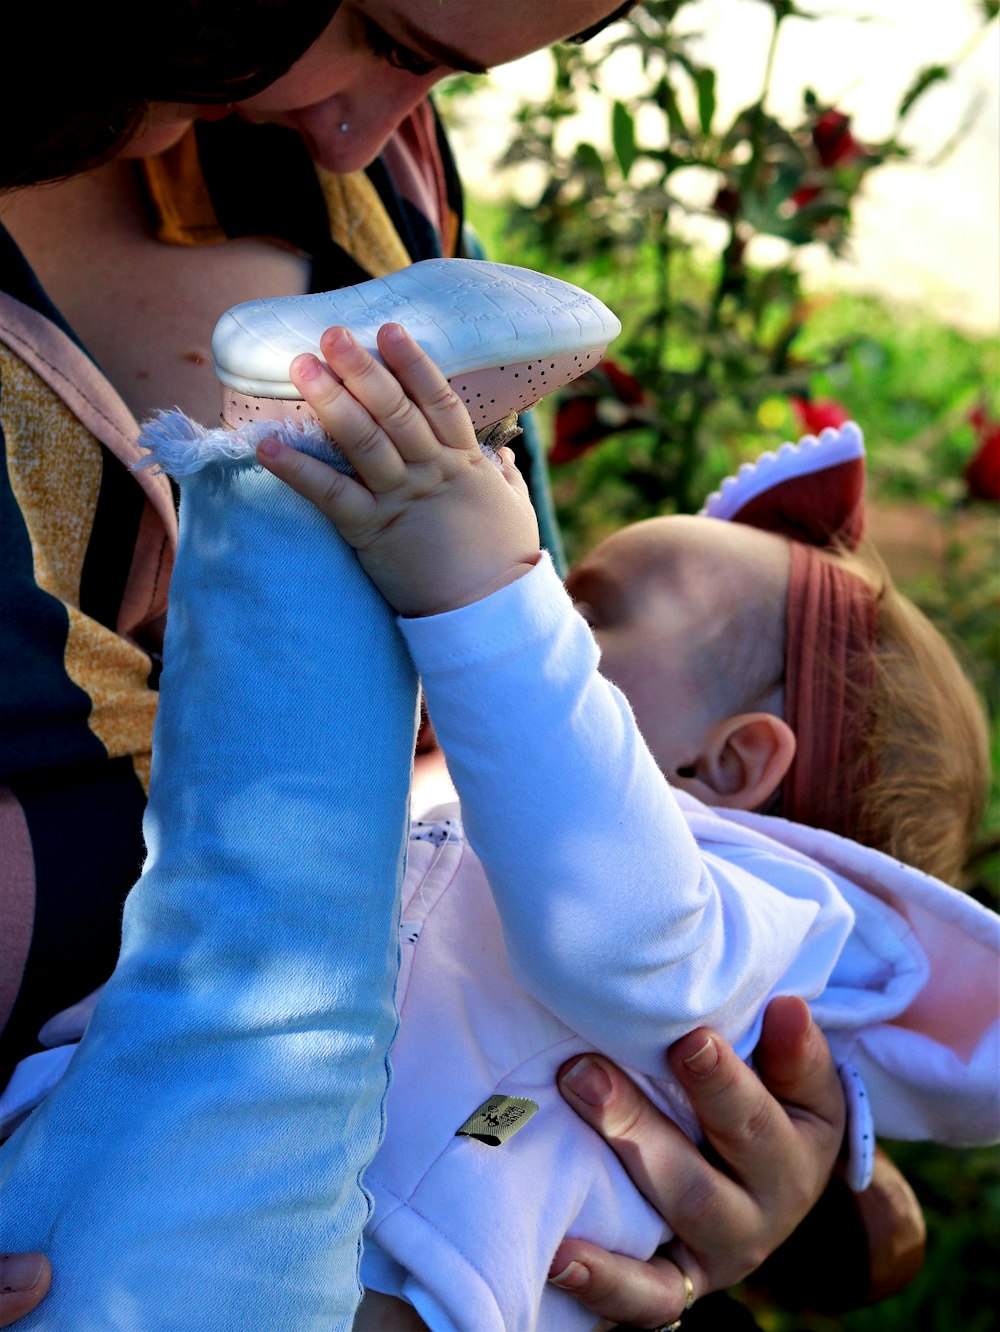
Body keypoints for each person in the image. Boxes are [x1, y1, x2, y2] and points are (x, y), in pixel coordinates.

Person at [0, 1, 907, 1325]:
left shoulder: (355, 171)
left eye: (438, 72)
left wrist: (768, 1165)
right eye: (381, 27)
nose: (367, 128)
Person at [213, 320, 996, 1330]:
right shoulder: (477, 799)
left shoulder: (747, 917)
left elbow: (616, 923)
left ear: (730, 765)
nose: (533, 596)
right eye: (536, 595)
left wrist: (481, 597)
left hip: (378, 1275)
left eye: (578, 615)